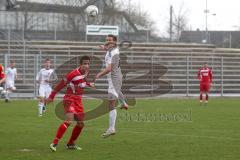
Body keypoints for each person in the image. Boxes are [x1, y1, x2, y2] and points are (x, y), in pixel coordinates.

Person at [46, 56, 95, 152]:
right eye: (85, 63)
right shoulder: (72, 74)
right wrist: (51, 96)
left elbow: (82, 81)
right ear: (80, 64)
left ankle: (71, 143)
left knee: (80, 124)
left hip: (78, 100)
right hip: (69, 99)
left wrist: (89, 84)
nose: (87, 65)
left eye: (88, 64)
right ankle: (55, 143)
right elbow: (60, 84)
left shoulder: (86, 72)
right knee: (69, 121)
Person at [94, 34, 128, 138]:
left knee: (111, 104)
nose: (107, 42)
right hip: (116, 77)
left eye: (109, 40)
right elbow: (108, 48)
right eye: (106, 40)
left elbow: (109, 68)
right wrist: (103, 47)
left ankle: (111, 128)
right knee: (117, 91)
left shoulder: (111, 52)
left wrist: (98, 74)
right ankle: (124, 103)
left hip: (114, 78)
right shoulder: (114, 49)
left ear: (114, 42)